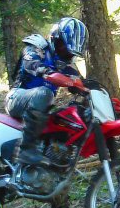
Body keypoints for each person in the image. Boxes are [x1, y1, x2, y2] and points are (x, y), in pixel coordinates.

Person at [5, 16, 88, 165]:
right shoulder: (37, 47)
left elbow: (81, 84)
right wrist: (48, 72)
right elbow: (31, 63)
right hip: (16, 98)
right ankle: (26, 150)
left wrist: (95, 93)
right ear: (56, 39)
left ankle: (53, 160)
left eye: (70, 53)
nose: (66, 54)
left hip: (40, 105)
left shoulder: (65, 65)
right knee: (45, 92)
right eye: (64, 48)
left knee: (65, 117)